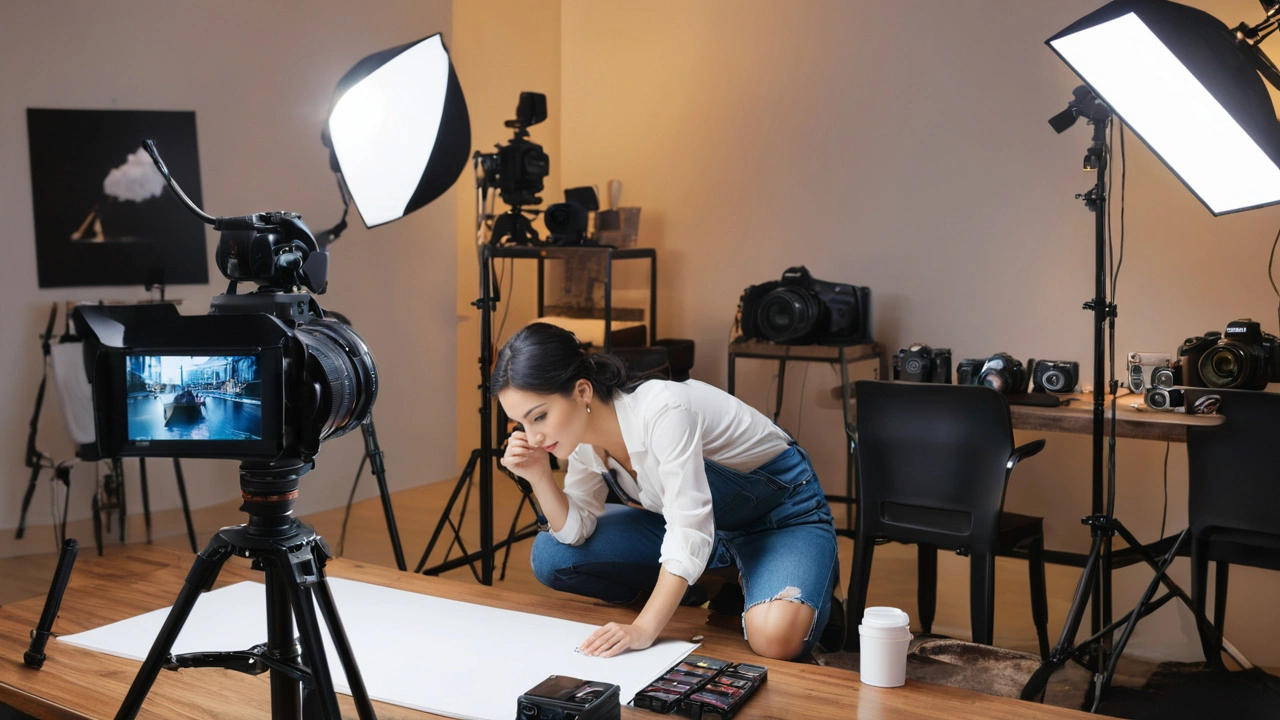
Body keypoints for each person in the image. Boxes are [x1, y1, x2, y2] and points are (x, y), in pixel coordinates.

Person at [493, 322, 841, 661]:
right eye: (521, 423)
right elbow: (575, 530)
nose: (532, 437)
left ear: (582, 391)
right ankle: (716, 583)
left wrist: (644, 628)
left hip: (779, 518)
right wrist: (539, 476)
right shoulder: (580, 440)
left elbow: (688, 528)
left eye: (539, 416)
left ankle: (793, 579)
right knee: (552, 556)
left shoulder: (665, 410)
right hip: (705, 531)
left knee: (776, 639)